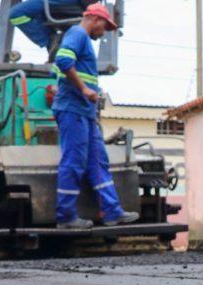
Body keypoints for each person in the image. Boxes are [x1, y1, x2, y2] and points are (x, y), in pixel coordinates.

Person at [51, 3, 139, 229]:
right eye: (105, 26)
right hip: (73, 109)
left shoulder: (81, 38)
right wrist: (83, 89)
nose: (105, 31)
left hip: (84, 112)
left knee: (99, 162)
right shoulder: (78, 34)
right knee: (73, 162)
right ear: (95, 19)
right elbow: (62, 60)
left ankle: (112, 212)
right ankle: (66, 217)